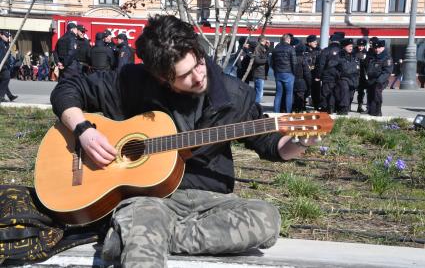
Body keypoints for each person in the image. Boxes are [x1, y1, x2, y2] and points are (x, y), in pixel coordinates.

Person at [50, 15, 316, 268]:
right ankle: (144, 233)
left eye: (198, 63)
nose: (199, 76)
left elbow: (271, 144)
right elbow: (68, 89)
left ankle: (146, 236)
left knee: (266, 219)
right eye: (184, 75)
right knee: (145, 229)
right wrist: (84, 130)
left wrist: (299, 143)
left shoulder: (236, 95)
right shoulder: (133, 82)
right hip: (150, 200)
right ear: (161, 77)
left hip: (212, 202)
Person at [316, 33, 342, 114]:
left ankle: (325, 108)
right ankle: (335, 108)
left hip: (327, 75)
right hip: (338, 76)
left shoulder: (325, 50)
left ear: (331, 41)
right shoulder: (342, 51)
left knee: (325, 92)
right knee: (336, 92)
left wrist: (318, 75)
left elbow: (321, 64)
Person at [366, 39, 393, 116]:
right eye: (375, 48)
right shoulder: (373, 56)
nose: (376, 49)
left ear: (383, 47)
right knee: (370, 94)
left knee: (377, 94)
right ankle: (371, 110)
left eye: (378, 48)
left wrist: (379, 81)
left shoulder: (387, 57)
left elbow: (387, 71)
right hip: (371, 79)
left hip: (380, 80)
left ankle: (378, 111)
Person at [271, 34, 296, 113]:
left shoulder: (276, 48)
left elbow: (271, 62)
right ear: (288, 40)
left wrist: (275, 71)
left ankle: (276, 112)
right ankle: (288, 112)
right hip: (288, 73)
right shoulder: (291, 48)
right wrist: (294, 73)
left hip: (278, 73)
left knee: (278, 94)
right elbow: (294, 62)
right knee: (289, 94)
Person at [335, 38, 359, 115]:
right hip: (343, 78)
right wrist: (339, 75)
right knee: (344, 92)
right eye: (349, 46)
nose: (351, 48)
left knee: (351, 95)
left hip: (353, 78)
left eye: (351, 46)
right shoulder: (339, 55)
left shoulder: (354, 56)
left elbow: (357, 67)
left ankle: (346, 107)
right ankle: (343, 109)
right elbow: (332, 67)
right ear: (344, 47)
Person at [292, 44, 311, 112]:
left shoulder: (292, 58)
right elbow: (307, 73)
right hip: (301, 81)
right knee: (300, 96)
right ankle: (300, 109)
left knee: (293, 96)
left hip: (292, 80)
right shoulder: (303, 59)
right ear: (303, 51)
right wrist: (309, 82)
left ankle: (294, 108)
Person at [0, 31, 17, 102]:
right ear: (1, 35)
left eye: (8, 37)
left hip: (5, 64)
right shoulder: (0, 43)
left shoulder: (6, 44)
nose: (7, 38)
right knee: (6, 78)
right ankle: (1, 96)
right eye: (6, 36)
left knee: (3, 80)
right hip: (1, 64)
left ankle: (10, 96)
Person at [251, 35, 270, 103]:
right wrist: (266, 61)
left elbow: (264, 55)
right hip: (258, 73)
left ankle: (254, 106)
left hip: (260, 73)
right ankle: (255, 107)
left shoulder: (262, 48)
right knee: (259, 92)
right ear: (264, 40)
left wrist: (267, 48)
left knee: (258, 92)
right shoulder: (258, 48)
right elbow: (257, 60)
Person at [304, 35, 321, 109]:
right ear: (309, 43)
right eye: (314, 41)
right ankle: (302, 105)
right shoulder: (304, 50)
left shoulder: (318, 50)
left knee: (316, 91)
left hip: (315, 74)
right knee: (305, 91)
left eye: (316, 41)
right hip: (306, 74)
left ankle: (316, 106)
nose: (316, 43)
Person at [354, 38, 368, 113]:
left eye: (362, 46)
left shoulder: (367, 53)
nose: (360, 47)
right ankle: (347, 105)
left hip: (362, 74)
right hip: (353, 74)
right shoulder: (353, 52)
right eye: (359, 46)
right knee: (351, 91)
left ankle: (359, 106)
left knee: (361, 92)